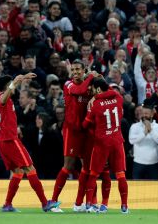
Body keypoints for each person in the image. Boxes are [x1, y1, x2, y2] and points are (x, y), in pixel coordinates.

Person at [0, 74, 61, 212]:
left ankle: (7, 204)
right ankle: (44, 203)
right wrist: (14, 83)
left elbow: (4, 97)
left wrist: (22, 78)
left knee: (18, 172)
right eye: (11, 84)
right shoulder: (3, 98)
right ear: (7, 86)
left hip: (3, 141)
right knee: (30, 169)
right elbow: (3, 99)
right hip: (10, 140)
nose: (15, 87)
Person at [51, 59, 98, 211]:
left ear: (84, 70)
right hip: (72, 130)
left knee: (88, 167)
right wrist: (91, 77)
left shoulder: (90, 85)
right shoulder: (68, 85)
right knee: (68, 166)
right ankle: (53, 201)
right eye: (74, 69)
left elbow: (102, 89)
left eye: (79, 70)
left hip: (86, 130)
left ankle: (81, 204)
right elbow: (80, 91)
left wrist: (98, 77)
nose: (76, 72)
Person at [82, 77, 129, 214]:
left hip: (102, 143)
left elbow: (85, 125)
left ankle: (90, 205)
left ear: (97, 88)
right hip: (117, 141)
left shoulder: (95, 105)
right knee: (120, 175)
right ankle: (124, 206)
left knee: (94, 174)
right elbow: (109, 91)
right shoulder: (118, 97)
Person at [129, 101, 158, 180]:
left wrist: (151, 130)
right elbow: (131, 141)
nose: (144, 115)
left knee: (154, 189)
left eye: (147, 113)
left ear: (152, 114)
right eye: (143, 113)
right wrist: (144, 133)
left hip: (154, 164)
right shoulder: (134, 126)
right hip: (138, 163)